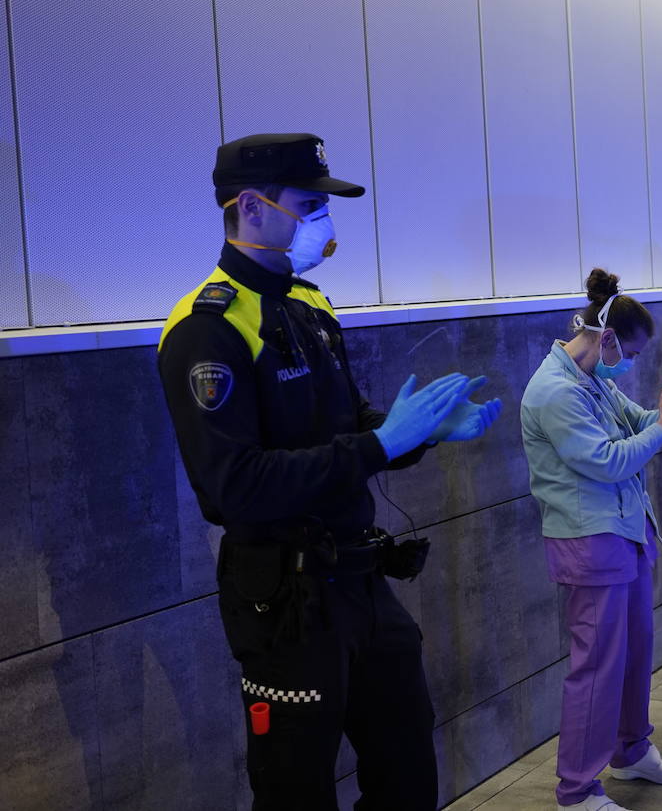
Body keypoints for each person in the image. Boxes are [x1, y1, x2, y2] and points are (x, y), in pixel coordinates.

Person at [157, 133, 503, 810]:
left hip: (362, 585)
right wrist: (379, 446)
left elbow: (351, 425)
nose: (324, 221)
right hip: (286, 603)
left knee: (407, 770)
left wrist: (418, 434)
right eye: (310, 204)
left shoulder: (310, 305)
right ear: (252, 208)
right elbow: (236, 487)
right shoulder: (208, 328)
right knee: (296, 790)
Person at [521, 269, 662, 811]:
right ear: (606, 339)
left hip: (626, 533)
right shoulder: (555, 391)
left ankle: (631, 751)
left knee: (633, 653)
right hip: (588, 541)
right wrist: (660, 426)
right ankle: (577, 788)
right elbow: (607, 462)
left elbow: (642, 425)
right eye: (629, 352)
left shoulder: (594, 380)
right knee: (597, 664)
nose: (631, 364)